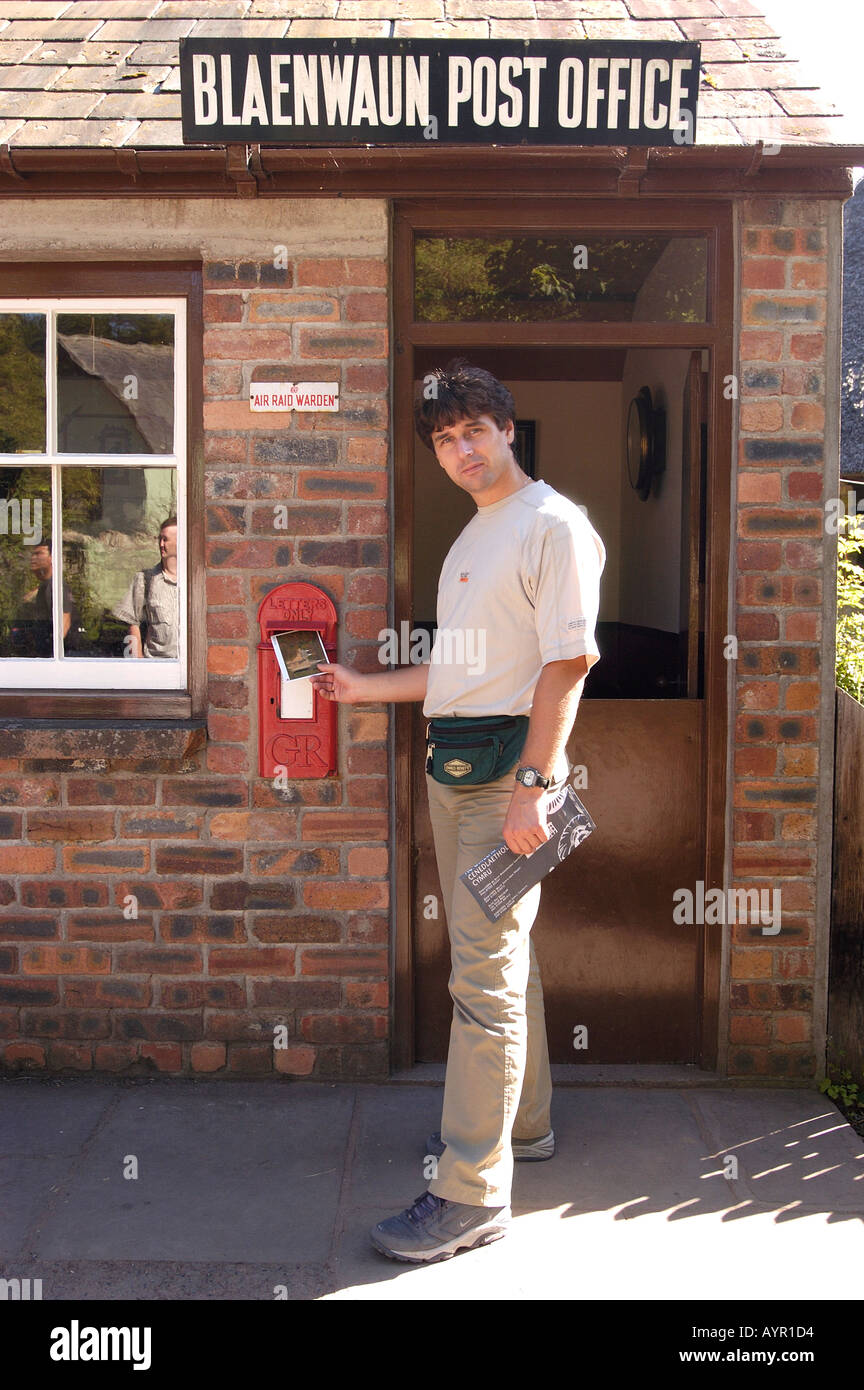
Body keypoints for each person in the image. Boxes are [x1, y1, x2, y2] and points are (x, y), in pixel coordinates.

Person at [310, 359, 606, 1263]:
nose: (461, 449)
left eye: (474, 430)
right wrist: (365, 689)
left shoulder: (554, 526)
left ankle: (470, 1189)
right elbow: (458, 672)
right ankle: (527, 1128)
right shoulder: (477, 532)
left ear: (508, 430)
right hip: (458, 771)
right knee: (503, 963)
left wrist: (535, 787)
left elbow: (568, 663)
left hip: (503, 784)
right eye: (444, 439)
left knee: (481, 981)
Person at [113, 516, 179, 660]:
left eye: (166, 539)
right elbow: (133, 623)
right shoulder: (145, 579)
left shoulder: (193, 582)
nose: (161, 544)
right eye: (160, 539)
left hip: (188, 670)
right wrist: (139, 663)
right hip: (156, 667)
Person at [9, 539, 82, 656]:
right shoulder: (46, 586)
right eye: (33, 554)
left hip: (61, 656)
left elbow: (64, 621)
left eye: (39, 554)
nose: (33, 558)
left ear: (52, 558)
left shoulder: (56, 586)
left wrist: (52, 657)